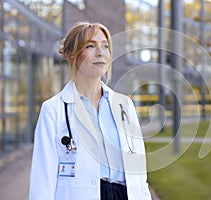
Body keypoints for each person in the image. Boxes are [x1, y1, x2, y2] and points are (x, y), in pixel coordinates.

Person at [29, 22, 152, 200]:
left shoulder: (124, 105)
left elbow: (140, 175)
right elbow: (42, 181)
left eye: (105, 46)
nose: (100, 52)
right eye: (90, 46)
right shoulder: (53, 110)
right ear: (71, 55)